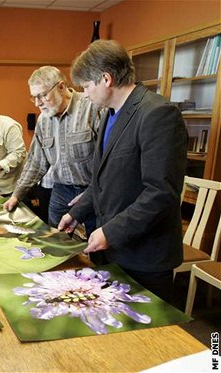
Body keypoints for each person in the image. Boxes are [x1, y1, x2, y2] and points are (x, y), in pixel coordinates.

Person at [58, 40, 187, 303]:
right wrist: (77, 212)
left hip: (145, 257)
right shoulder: (109, 114)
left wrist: (110, 231)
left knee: (151, 340)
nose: (84, 94)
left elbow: (161, 193)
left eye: (86, 86)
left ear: (106, 79)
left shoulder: (158, 113)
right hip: (114, 252)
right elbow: (101, 179)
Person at [3, 66, 102, 234]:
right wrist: (16, 195)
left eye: (42, 95)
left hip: (92, 190)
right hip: (61, 189)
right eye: (34, 97)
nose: (38, 103)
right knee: (56, 242)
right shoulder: (43, 120)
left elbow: (110, 160)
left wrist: (93, 193)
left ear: (61, 87)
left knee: (95, 244)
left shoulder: (92, 108)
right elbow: (36, 162)